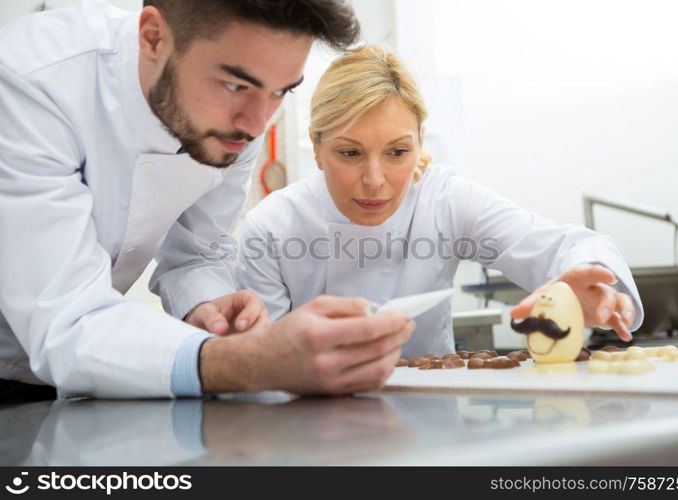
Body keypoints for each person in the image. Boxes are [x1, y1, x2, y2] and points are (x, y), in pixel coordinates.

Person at [0, 0, 414, 400]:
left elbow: (198, 254)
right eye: (235, 84)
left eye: (281, 92)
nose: (256, 124)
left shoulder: (238, 121)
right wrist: (249, 361)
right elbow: (66, 322)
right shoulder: (30, 82)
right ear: (154, 37)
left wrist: (210, 307)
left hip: (63, 379)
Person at [239, 45, 644, 358]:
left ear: (419, 142)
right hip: (311, 441)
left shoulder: (442, 200)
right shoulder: (273, 227)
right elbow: (260, 369)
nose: (375, 181)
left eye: (397, 153)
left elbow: (567, 245)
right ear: (316, 146)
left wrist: (590, 285)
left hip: (433, 432)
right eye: (350, 154)